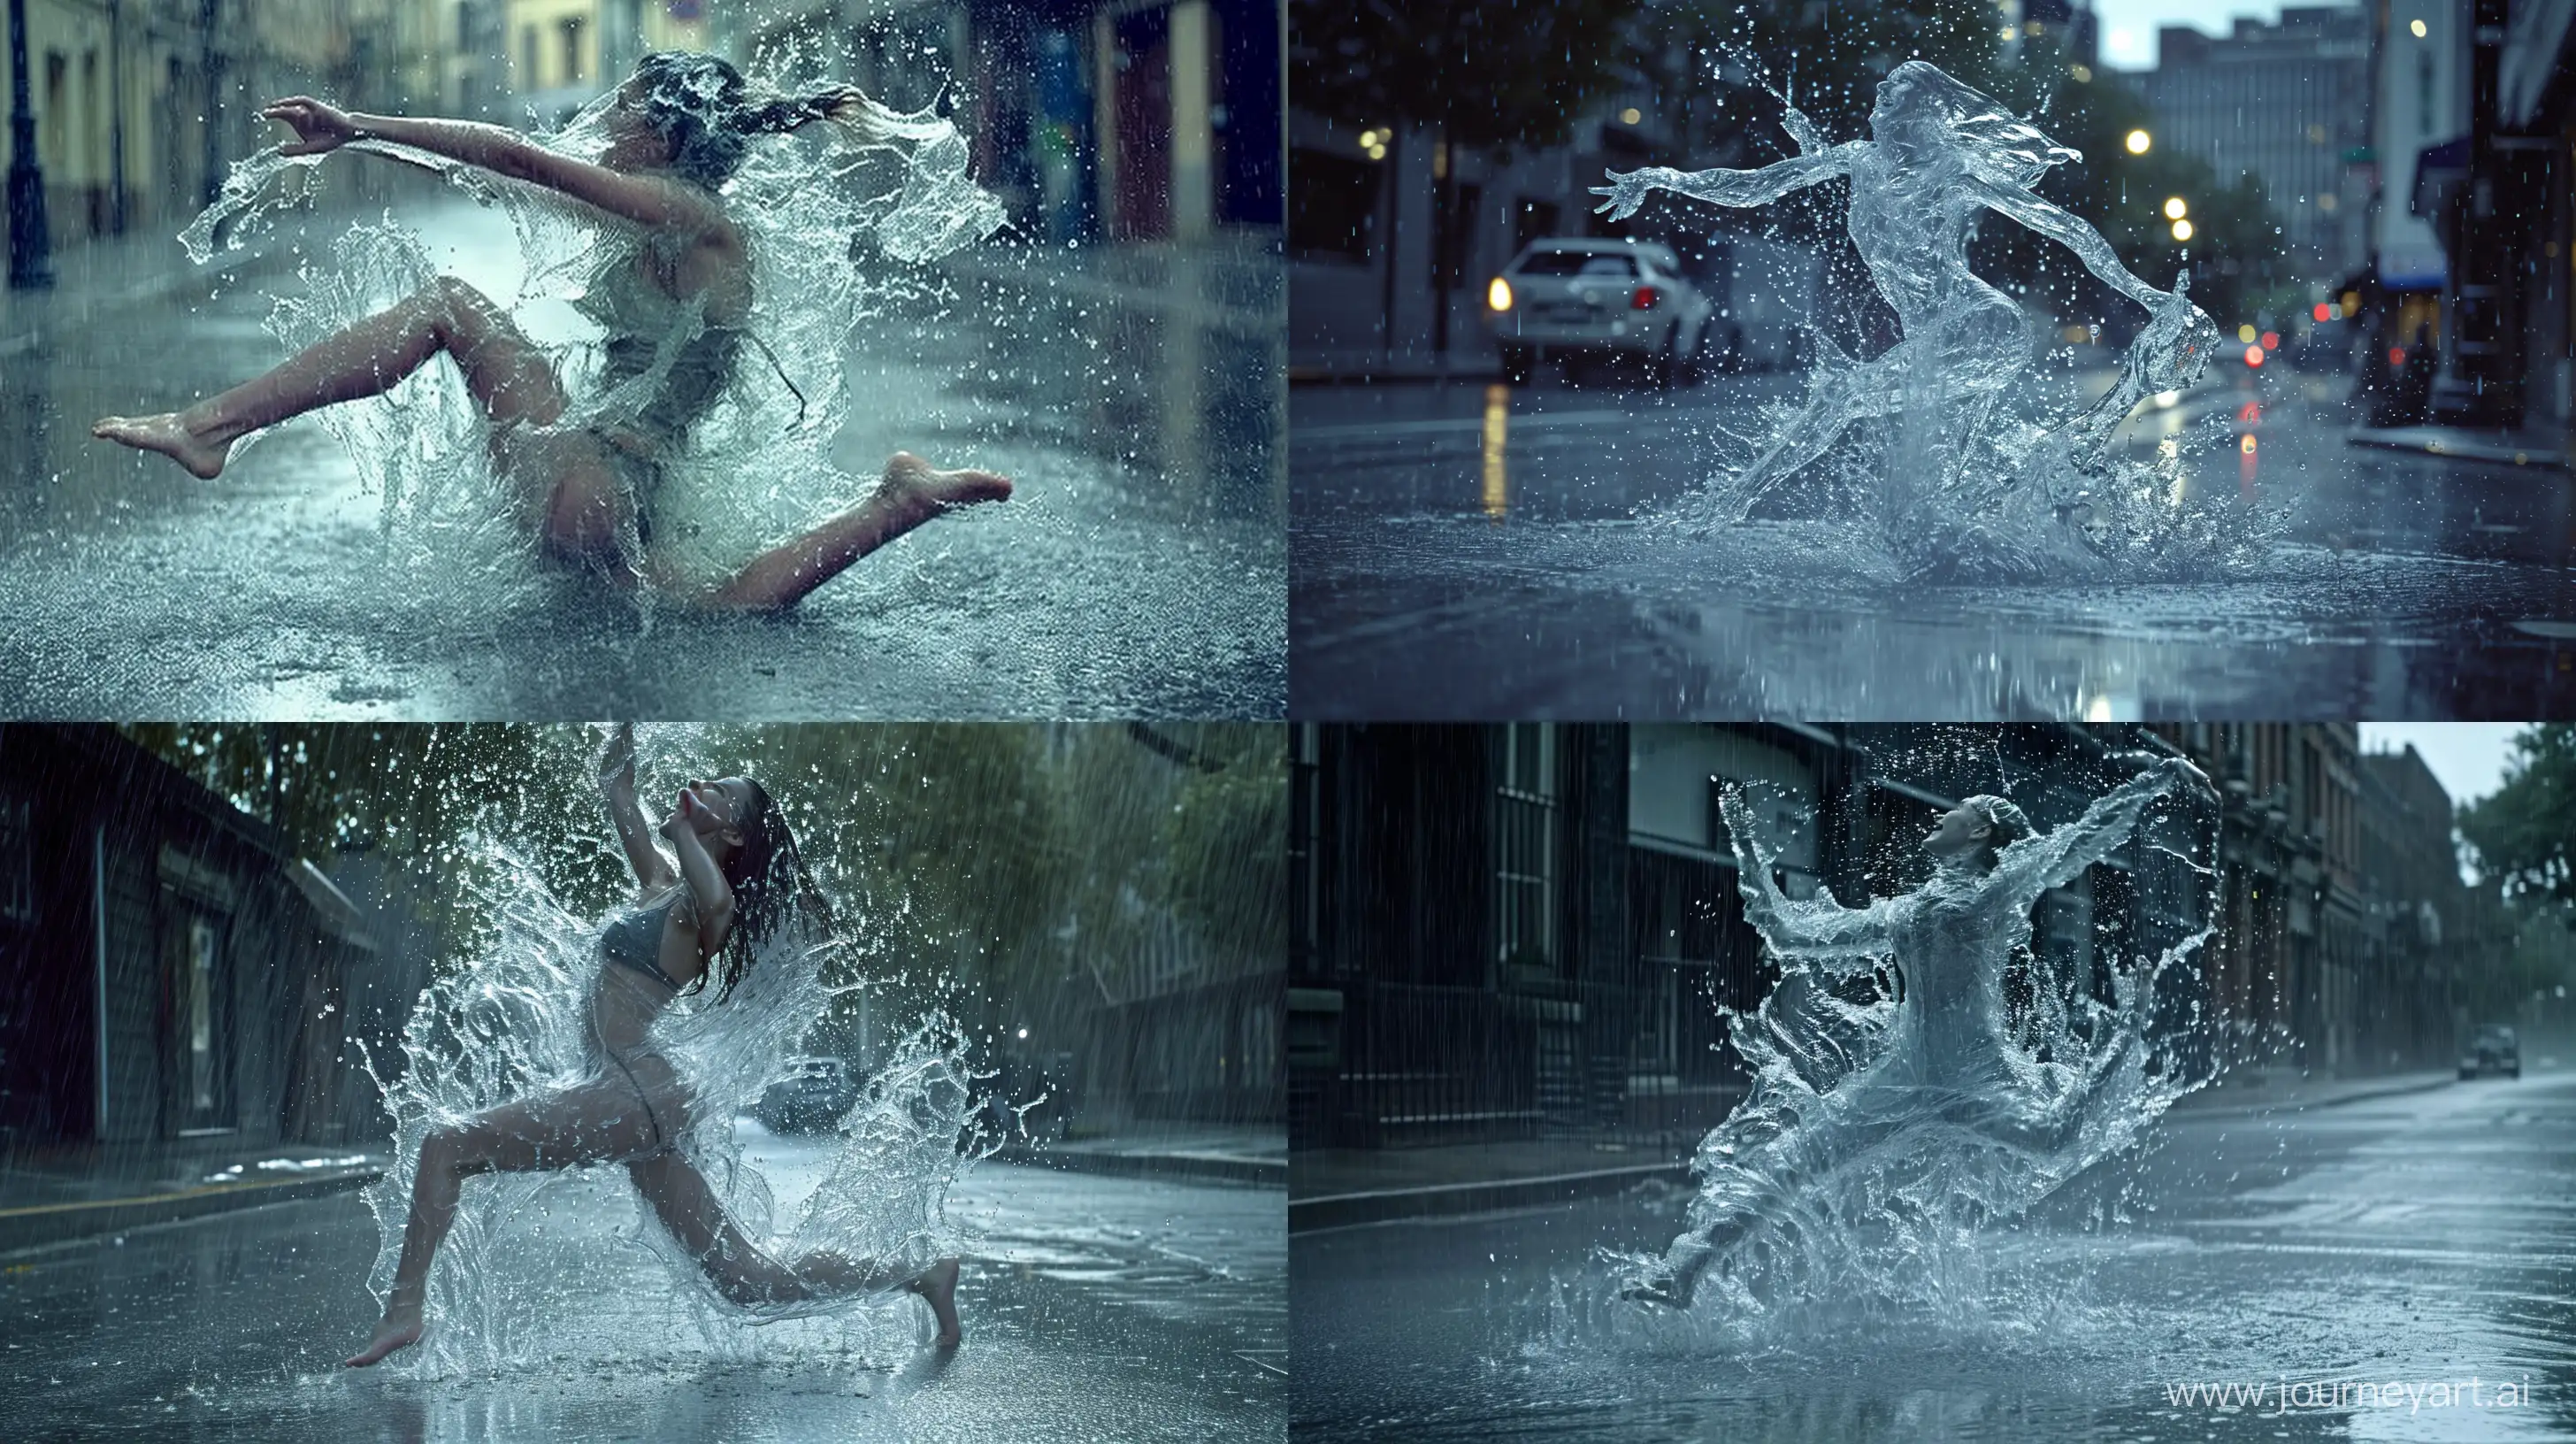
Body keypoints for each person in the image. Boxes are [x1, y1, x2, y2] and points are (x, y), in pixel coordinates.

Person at [93, 52, 1011, 612]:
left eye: (623, 107)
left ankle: (209, 426)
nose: (606, 119)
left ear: (659, 132)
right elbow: (503, 179)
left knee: (449, 305)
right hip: (617, 497)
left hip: (596, 484)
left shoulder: (682, 212)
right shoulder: (687, 223)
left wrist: (355, 127)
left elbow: (514, 155)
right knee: (717, 611)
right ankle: (892, 506)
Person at [345, 723, 962, 1367]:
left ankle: (404, 1310)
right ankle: (918, 1273)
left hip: (630, 1095)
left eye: (718, 791)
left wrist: (685, 832)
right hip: (641, 1098)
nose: (699, 785)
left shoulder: (701, 912)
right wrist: (621, 729)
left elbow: (717, 896)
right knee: (743, 1280)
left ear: (735, 834)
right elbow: (619, 792)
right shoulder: (664, 888)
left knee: (448, 1144)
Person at [1622, 753, 2214, 1310]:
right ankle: (1684, 1273)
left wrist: (2151, 783)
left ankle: (2129, 1030)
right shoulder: (1907, 912)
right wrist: (1747, 848)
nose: (1937, 814)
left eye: (1954, 810)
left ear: (1980, 833)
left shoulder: (1992, 895)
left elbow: (2076, 842)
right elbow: (1791, 932)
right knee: (1787, 1165)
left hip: (1976, 1083)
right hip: (1901, 1081)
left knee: (2054, 1136)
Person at [1594, 61, 2219, 526]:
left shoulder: (1955, 172)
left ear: (1916, 113)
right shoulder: (1859, 160)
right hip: (1944, 336)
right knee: (1937, 484)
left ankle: (1716, 513)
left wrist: (2148, 293)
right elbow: (1757, 186)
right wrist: (1664, 176)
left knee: (1840, 397)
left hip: (1984, 326)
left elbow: (2070, 232)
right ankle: (1993, 539)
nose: (1873, 108)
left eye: (1887, 98)